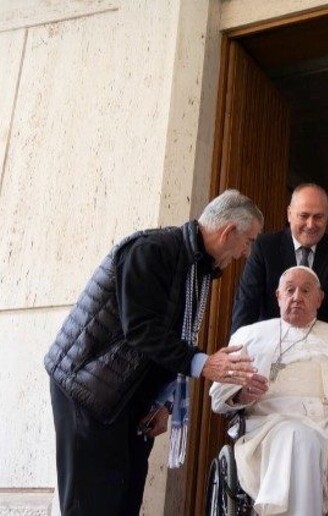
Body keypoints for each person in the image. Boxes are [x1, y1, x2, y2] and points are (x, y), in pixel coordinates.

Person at [45, 189, 268, 516]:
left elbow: (172, 338)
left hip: (130, 401)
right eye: (248, 241)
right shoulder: (152, 249)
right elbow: (141, 329)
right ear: (228, 231)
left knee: (125, 501)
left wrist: (164, 402)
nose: (246, 253)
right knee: (91, 504)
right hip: (88, 390)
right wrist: (204, 364)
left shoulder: (198, 268)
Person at [210, 266, 328, 515]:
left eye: (306, 290)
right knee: (302, 437)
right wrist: (241, 394)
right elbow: (218, 399)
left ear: (319, 298)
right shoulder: (249, 335)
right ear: (278, 296)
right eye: (290, 290)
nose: (296, 297)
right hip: (273, 424)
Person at [230, 183, 328, 334]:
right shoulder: (265, 248)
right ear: (289, 214)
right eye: (304, 216)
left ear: (327, 218)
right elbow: (246, 307)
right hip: (270, 348)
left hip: (317, 351)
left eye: (318, 217)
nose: (310, 225)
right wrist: (237, 351)